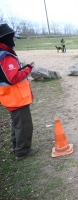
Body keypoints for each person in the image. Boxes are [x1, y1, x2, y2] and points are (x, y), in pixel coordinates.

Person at [0, 23, 38, 160]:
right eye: (13, 38)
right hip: (16, 98)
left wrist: (25, 67)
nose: (14, 40)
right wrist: (28, 69)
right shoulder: (5, 56)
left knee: (17, 124)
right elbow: (13, 77)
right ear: (7, 38)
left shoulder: (5, 53)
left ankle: (16, 146)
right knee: (24, 125)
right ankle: (22, 151)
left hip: (12, 97)